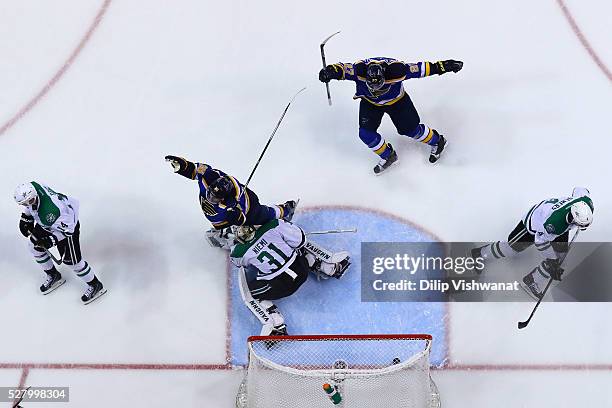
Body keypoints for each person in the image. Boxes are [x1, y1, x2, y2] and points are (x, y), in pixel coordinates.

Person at [319, 57, 463, 174]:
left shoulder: (397, 70)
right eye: (372, 86)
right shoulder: (359, 70)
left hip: (398, 102)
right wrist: (329, 72)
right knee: (365, 134)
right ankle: (388, 156)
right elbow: (342, 69)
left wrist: (446, 65)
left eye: (380, 85)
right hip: (370, 103)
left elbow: (422, 68)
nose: (376, 90)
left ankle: (438, 141)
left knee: (410, 130)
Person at [230, 220, 350, 335]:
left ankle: (275, 322)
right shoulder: (272, 225)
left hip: (280, 287)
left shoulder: (238, 252)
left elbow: (240, 263)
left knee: (251, 294)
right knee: (299, 247)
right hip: (302, 270)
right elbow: (300, 240)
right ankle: (328, 266)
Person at [472, 187, 593, 299]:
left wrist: (555, 261)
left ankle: (532, 280)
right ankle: (480, 254)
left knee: (561, 257)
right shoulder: (554, 224)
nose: (582, 227)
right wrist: (551, 260)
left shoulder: (586, 202)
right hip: (533, 223)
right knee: (510, 248)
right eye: (580, 225)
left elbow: (580, 189)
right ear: (572, 217)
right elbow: (540, 241)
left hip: (556, 224)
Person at [164, 155, 297, 248]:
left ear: (224, 197)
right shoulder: (209, 176)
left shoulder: (236, 202)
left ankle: (285, 210)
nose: (210, 199)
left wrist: (236, 218)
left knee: (265, 214)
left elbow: (241, 219)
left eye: (215, 198)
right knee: (225, 224)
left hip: (250, 209)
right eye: (210, 194)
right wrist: (182, 166)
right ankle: (222, 231)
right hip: (219, 217)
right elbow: (195, 168)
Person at [14, 182, 105, 304]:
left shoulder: (51, 211)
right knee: (34, 247)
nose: (27, 205)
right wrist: (26, 217)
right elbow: (30, 204)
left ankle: (95, 284)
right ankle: (53, 275)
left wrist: (51, 240)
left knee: (72, 261)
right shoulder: (33, 187)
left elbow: (69, 230)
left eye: (29, 202)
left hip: (66, 226)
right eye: (24, 204)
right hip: (48, 222)